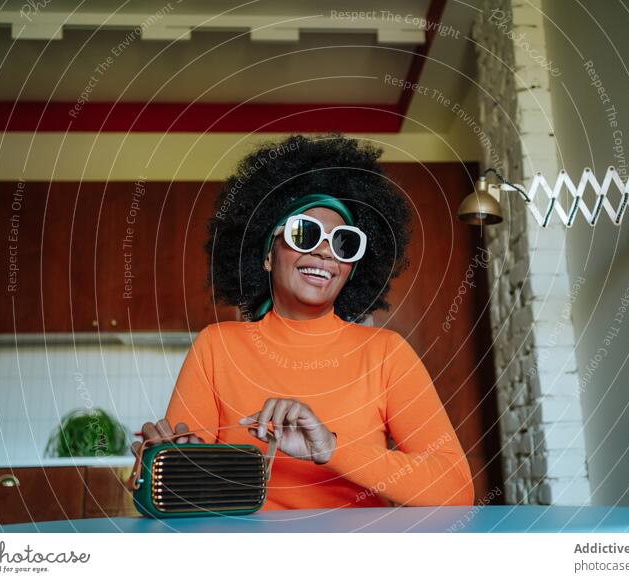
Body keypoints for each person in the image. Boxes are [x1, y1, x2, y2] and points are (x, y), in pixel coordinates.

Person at [132, 134, 474, 510]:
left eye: (345, 243)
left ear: (352, 267)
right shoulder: (216, 347)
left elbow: (455, 491)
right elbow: (173, 503)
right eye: (303, 234)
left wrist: (331, 448)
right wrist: (166, 465)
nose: (325, 250)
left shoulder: (386, 353)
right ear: (266, 254)